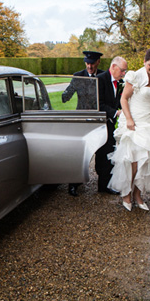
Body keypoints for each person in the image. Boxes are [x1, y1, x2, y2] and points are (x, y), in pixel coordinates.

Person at [108, 47, 150, 211]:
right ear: (144, 62)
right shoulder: (136, 76)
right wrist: (128, 119)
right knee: (133, 161)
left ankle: (138, 195)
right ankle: (126, 194)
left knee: (146, 162)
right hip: (134, 122)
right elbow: (124, 98)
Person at [63, 51, 105, 196]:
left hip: (98, 119)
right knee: (79, 152)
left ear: (98, 62)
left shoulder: (103, 76)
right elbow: (67, 94)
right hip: (81, 119)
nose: (89, 66)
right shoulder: (78, 76)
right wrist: (65, 95)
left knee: (102, 152)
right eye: (87, 63)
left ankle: (103, 184)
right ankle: (74, 184)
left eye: (92, 63)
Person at [95, 56, 128, 194]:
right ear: (113, 67)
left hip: (111, 123)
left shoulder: (119, 82)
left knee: (109, 152)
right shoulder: (100, 79)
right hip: (101, 124)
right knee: (104, 153)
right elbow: (99, 104)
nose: (123, 74)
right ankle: (103, 185)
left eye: (125, 71)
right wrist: (116, 112)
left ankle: (104, 184)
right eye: (122, 70)